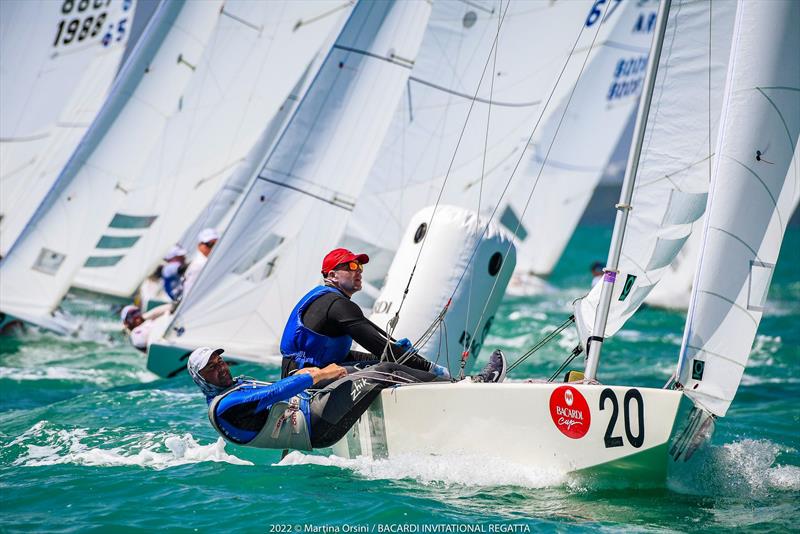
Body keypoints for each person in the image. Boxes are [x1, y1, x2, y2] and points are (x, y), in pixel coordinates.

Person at [188, 346, 506, 450]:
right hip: (319, 425)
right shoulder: (226, 405)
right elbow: (275, 393)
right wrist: (317, 375)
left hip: (316, 412)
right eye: (212, 369)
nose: (221, 369)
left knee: (365, 367)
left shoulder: (232, 389)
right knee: (380, 372)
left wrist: (325, 373)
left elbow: (271, 411)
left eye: (220, 362)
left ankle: (447, 388)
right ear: (202, 380)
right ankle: (467, 386)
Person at [280, 248, 448, 381]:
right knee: (392, 369)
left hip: (301, 374)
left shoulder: (327, 300)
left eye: (360, 267)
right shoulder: (338, 305)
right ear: (332, 275)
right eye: (351, 267)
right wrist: (432, 369)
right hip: (305, 380)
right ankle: (444, 384)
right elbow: (380, 346)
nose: (359, 271)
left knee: (386, 361)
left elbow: (346, 355)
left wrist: (392, 352)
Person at [182, 227, 218, 296]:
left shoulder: (210, 260)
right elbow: (188, 293)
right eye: (210, 244)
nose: (214, 247)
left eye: (217, 244)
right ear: (199, 246)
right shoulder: (198, 265)